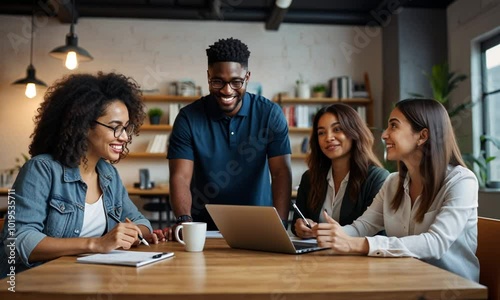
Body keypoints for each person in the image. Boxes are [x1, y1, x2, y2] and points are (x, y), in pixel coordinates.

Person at [0, 72, 160, 277]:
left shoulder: (108, 175)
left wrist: (131, 234)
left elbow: (142, 224)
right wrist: (97, 244)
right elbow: (18, 241)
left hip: (90, 280)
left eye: (126, 128)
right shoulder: (41, 169)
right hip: (39, 282)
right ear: (83, 125)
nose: (125, 137)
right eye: (115, 128)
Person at [314, 98, 479, 281]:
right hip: (405, 282)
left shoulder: (462, 181)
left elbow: (436, 243)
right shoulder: (393, 183)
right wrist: (332, 233)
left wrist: (358, 244)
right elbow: (363, 226)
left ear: (422, 136)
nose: (384, 135)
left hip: (451, 288)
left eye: (394, 126)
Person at [167, 38, 292, 231]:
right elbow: (180, 177)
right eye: (218, 82)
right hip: (204, 226)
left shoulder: (270, 114)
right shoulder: (188, 118)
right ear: (208, 76)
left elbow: (281, 173)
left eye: (236, 82)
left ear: (247, 77)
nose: (227, 91)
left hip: (261, 224)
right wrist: (185, 222)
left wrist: (281, 224)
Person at [292, 104, 389, 238]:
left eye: (337, 129)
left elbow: (378, 232)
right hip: (316, 257)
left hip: (359, 257)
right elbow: (297, 222)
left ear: (354, 132)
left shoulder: (377, 178)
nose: (328, 138)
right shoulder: (309, 178)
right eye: (321, 133)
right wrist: (301, 225)